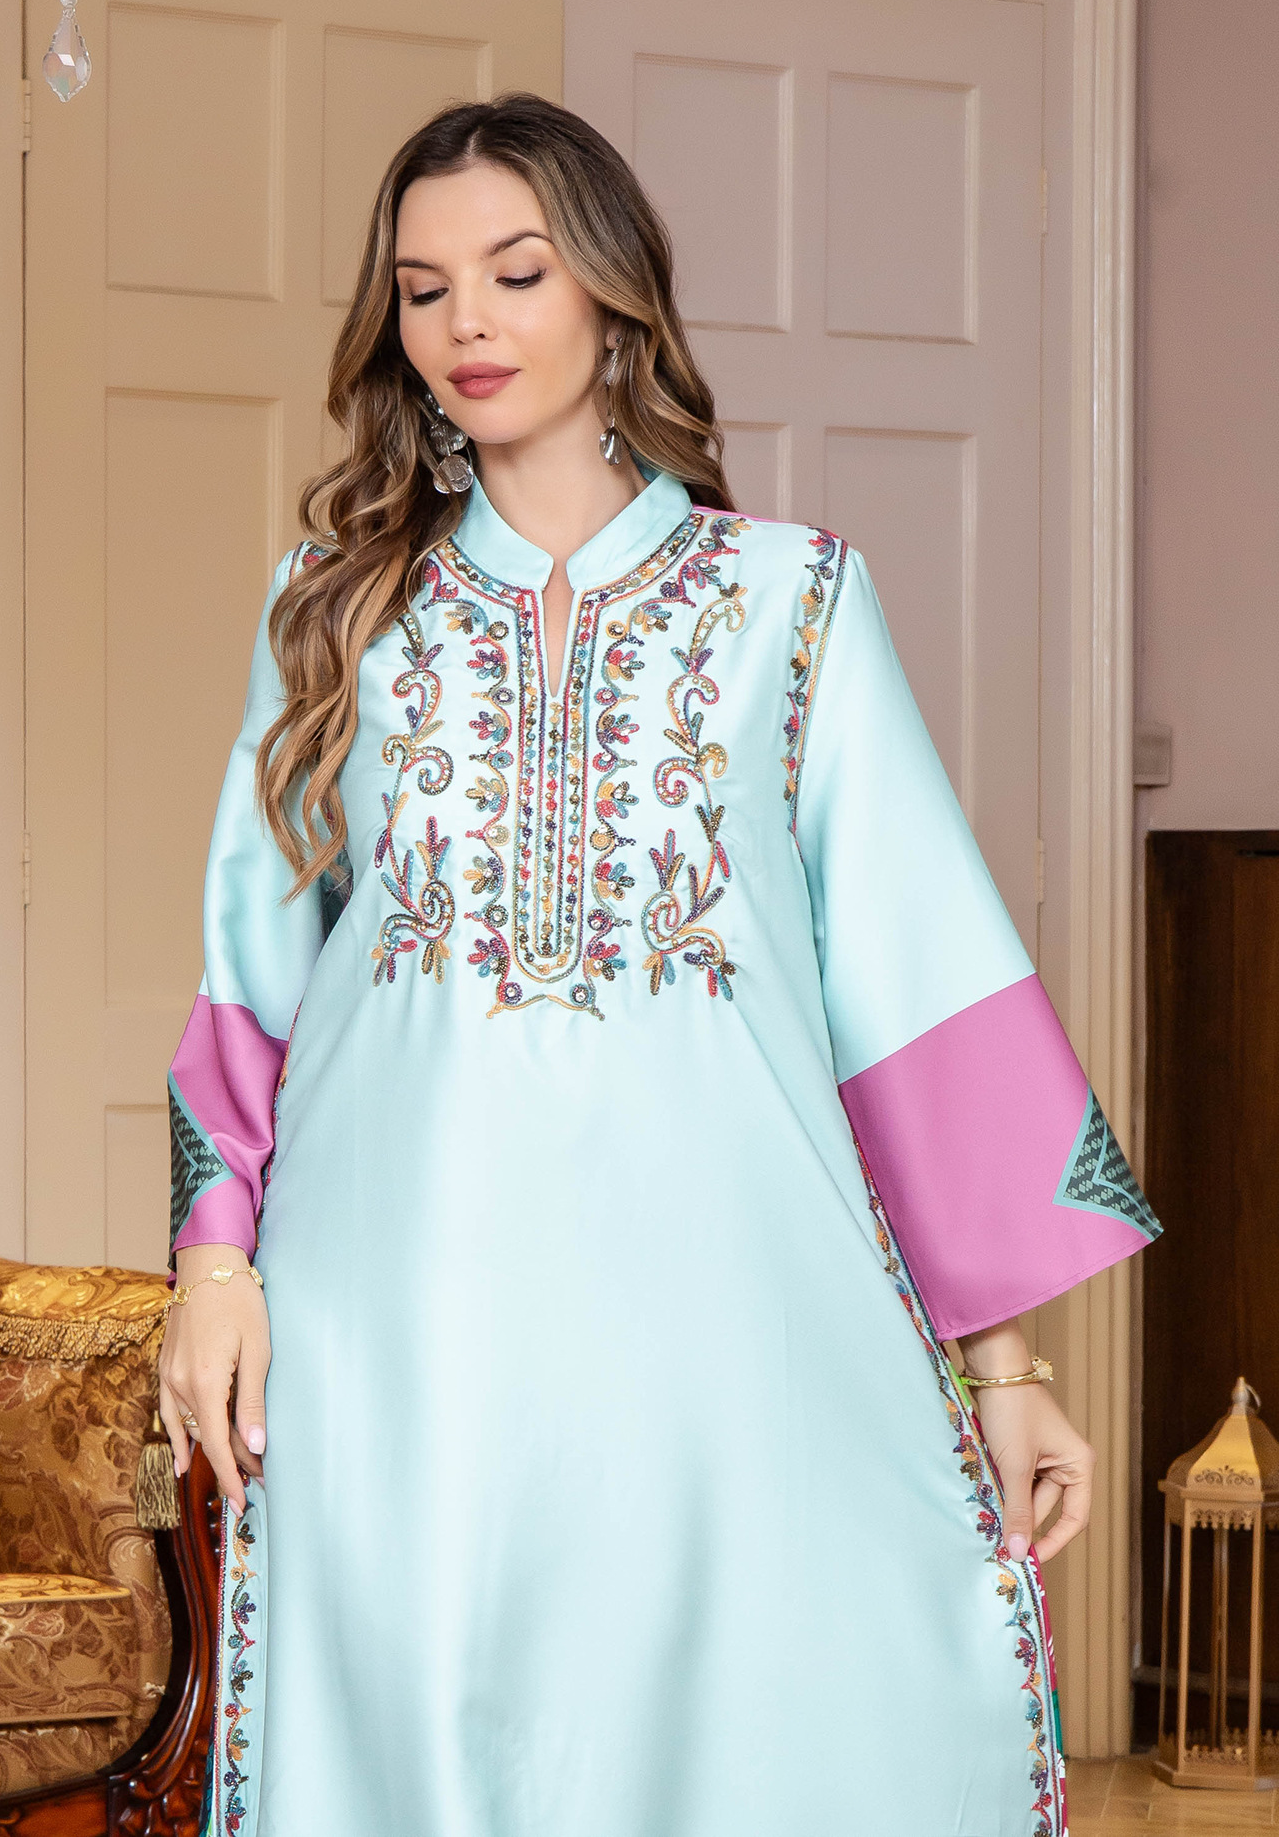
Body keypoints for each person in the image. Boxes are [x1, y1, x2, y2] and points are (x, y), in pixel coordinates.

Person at [157, 93, 1160, 1837]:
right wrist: (215, 1268)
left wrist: (1009, 1372)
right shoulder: (331, 608)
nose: (465, 323)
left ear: (613, 293)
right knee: (425, 1735)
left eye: (516, 272)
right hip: (401, 1309)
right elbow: (254, 967)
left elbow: (916, 990)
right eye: (421, 288)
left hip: (721, 1311)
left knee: (730, 1727)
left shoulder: (792, 604)